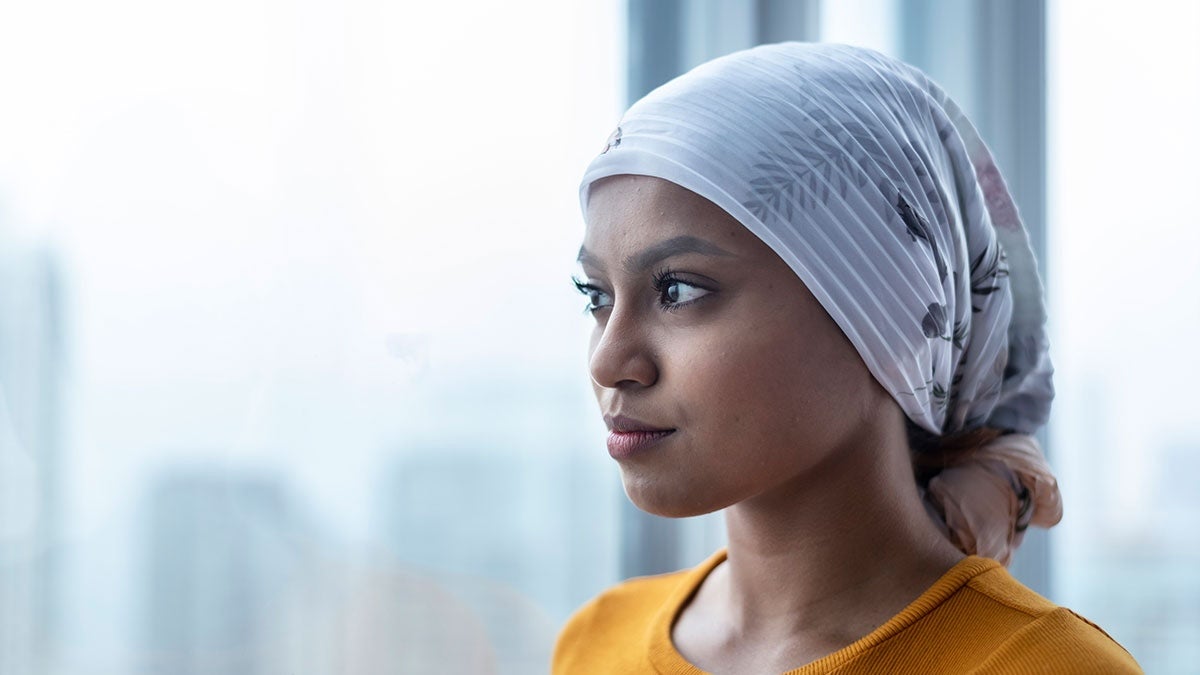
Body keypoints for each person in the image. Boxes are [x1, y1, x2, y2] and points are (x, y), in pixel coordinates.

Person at [553, 43, 1141, 674]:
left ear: (890, 311)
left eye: (679, 290)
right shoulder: (594, 643)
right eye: (597, 296)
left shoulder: (1048, 667)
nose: (609, 358)